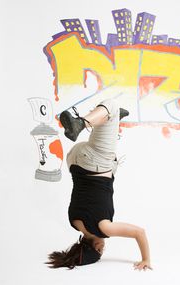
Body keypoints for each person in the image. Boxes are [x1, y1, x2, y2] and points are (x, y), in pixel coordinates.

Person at [46, 99, 152, 271]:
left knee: (111, 105)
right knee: (111, 161)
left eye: (102, 250)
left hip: (95, 163)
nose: (104, 246)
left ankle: (80, 123)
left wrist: (146, 259)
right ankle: (112, 119)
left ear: (97, 248)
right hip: (74, 160)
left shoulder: (105, 228)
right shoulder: (74, 222)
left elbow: (139, 232)